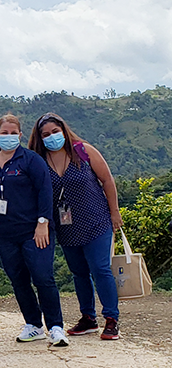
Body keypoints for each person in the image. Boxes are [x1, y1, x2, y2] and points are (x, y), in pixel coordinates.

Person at [29, 112, 122, 340]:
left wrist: (115, 212)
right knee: (79, 273)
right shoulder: (39, 161)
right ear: (39, 138)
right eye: (46, 134)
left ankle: (111, 319)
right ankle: (88, 318)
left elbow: (107, 180)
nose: (52, 137)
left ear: (64, 130)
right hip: (66, 227)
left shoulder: (83, 151)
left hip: (96, 221)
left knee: (100, 269)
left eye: (55, 132)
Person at [0, 114, 67, 347]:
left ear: (20, 134)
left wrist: (43, 223)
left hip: (34, 231)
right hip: (5, 233)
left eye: (12, 132)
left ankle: (55, 327)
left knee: (42, 277)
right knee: (18, 279)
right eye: (4, 133)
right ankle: (34, 325)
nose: (8, 137)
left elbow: (44, 192)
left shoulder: (31, 160)